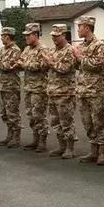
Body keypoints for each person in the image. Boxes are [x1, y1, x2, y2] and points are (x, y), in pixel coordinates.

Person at [72, 16, 104, 165]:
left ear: (87, 28)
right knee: (87, 122)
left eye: (80, 27)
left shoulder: (99, 45)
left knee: (99, 122)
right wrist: (75, 59)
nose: (78, 30)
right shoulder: (81, 46)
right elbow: (77, 66)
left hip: (96, 91)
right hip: (82, 90)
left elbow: (99, 65)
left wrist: (80, 58)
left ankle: (103, 152)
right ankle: (94, 150)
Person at [44, 24, 77, 159]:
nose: (54, 38)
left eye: (57, 36)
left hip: (65, 92)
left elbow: (65, 69)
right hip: (53, 91)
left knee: (66, 121)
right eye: (53, 36)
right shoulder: (53, 50)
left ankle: (70, 148)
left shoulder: (69, 50)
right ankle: (61, 146)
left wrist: (51, 63)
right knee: (55, 121)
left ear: (64, 35)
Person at [17, 23, 49, 153]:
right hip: (29, 87)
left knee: (39, 114)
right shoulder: (27, 49)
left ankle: (42, 140)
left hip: (39, 88)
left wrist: (25, 64)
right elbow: (20, 61)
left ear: (35, 35)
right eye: (25, 35)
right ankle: (35, 138)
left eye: (28, 35)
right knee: (30, 114)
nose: (26, 38)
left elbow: (41, 66)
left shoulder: (43, 49)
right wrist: (24, 64)